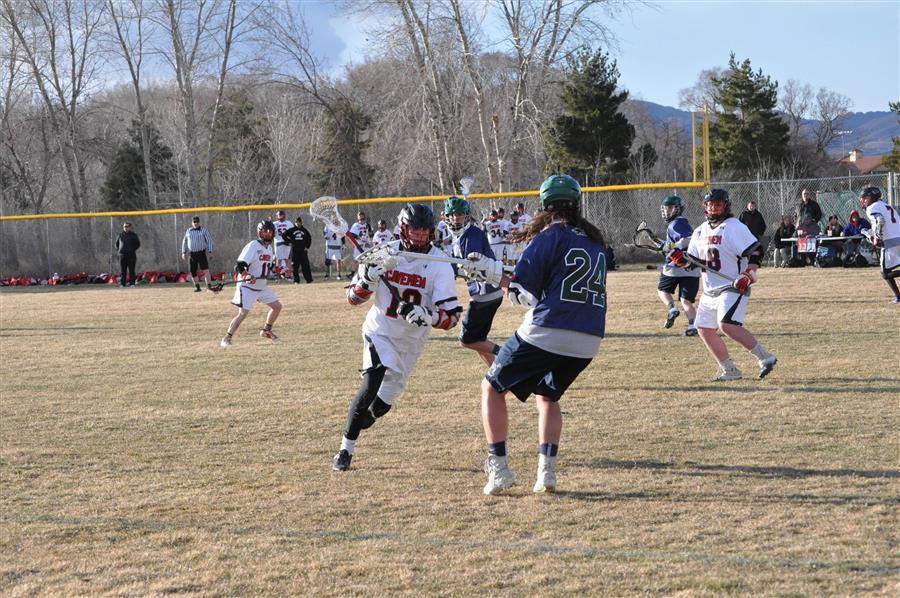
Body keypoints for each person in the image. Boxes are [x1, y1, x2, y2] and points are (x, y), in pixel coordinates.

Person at [464, 174, 608, 496]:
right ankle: (546, 473)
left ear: (544, 204)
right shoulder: (593, 240)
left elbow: (522, 295)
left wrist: (490, 274)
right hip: (589, 339)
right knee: (547, 396)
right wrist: (498, 272)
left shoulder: (549, 236)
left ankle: (499, 469)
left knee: (491, 387)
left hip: (550, 329)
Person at [332, 203, 461, 472]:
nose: (419, 235)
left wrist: (428, 315)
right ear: (403, 229)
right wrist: (366, 282)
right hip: (380, 331)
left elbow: (451, 318)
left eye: (424, 230)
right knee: (371, 383)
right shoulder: (383, 253)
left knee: (380, 407)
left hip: (411, 342)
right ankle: (345, 451)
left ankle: (363, 419)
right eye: (414, 230)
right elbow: (353, 299)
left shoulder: (439, 264)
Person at [668, 188, 777, 381]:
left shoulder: (734, 226)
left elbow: (756, 250)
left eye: (718, 204)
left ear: (726, 206)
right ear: (705, 206)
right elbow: (693, 263)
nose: (713, 208)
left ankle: (765, 358)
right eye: (710, 204)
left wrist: (749, 273)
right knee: (703, 329)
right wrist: (681, 260)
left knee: (726, 324)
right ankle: (729, 369)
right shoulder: (700, 231)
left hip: (733, 285)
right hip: (710, 289)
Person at [444, 195, 504, 365]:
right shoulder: (460, 235)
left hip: (486, 292)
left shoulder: (472, 236)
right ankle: (495, 373)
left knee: (467, 340)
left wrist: (450, 268)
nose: (456, 218)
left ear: (466, 215)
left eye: (460, 214)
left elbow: (473, 264)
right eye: (452, 214)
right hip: (484, 292)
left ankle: (508, 355)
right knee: (478, 340)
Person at [221, 221, 283, 347]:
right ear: (260, 232)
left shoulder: (270, 248)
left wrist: (279, 271)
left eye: (271, 232)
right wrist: (247, 275)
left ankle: (266, 331)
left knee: (277, 306)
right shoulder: (253, 246)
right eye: (266, 231)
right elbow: (239, 266)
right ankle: (227, 338)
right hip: (247, 286)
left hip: (261, 286)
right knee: (243, 314)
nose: (268, 234)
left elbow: (268, 266)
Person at [657, 195, 700, 336]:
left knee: (662, 290)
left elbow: (689, 239)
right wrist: (666, 245)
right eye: (665, 208)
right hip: (692, 268)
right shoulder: (680, 223)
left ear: (678, 209)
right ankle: (692, 326)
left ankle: (672, 308)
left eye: (670, 208)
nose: (666, 211)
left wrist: (675, 246)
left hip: (675, 266)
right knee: (686, 300)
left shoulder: (676, 223)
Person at [858, 187, 900, 303]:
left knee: (885, 273)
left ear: (871, 198)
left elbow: (880, 220)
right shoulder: (885, 205)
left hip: (890, 241)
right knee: (886, 272)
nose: (862, 200)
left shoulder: (872, 207)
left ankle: (898, 297)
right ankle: (898, 296)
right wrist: (869, 233)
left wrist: (876, 236)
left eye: (864, 198)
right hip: (897, 237)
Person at [181, 216, 214, 292]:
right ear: (192, 223)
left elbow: (209, 241)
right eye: (194, 222)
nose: (196, 223)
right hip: (192, 254)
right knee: (193, 271)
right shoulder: (188, 231)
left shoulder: (204, 230)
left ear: (199, 222)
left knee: (205, 270)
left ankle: (209, 286)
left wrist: (210, 251)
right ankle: (197, 287)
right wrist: (183, 252)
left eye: (197, 222)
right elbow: (184, 241)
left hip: (201, 253)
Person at [281, 216, 313, 284]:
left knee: (305, 266)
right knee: (295, 267)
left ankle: (309, 280)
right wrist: (289, 241)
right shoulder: (292, 230)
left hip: (303, 251)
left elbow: (309, 238)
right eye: (296, 222)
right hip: (295, 251)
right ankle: (296, 280)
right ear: (295, 223)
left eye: (299, 222)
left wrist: (307, 246)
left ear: (301, 223)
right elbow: (283, 235)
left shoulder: (304, 230)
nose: (298, 223)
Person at [115, 222, 140, 287]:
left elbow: (138, 244)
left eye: (126, 226)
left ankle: (132, 283)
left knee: (131, 270)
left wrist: (132, 250)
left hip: (131, 255)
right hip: (122, 255)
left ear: (130, 227)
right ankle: (122, 284)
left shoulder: (133, 235)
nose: (125, 228)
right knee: (123, 270)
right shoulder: (120, 235)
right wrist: (120, 251)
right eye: (124, 226)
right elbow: (116, 244)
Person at [272, 210, 292, 279]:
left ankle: (286, 275)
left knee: (284, 260)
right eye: (279, 215)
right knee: (282, 260)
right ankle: (279, 275)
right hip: (279, 242)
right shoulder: (275, 223)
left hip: (283, 242)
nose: (281, 216)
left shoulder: (275, 223)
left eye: (281, 215)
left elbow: (292, 232)